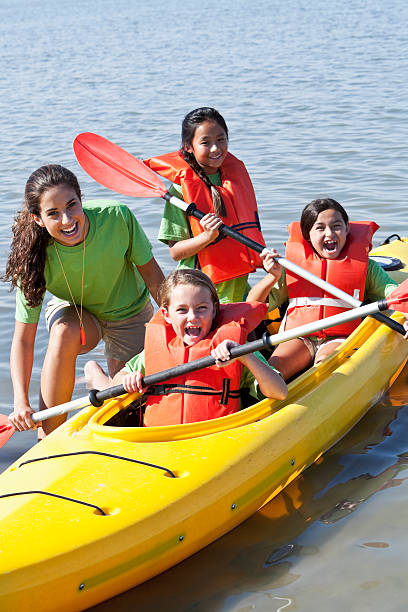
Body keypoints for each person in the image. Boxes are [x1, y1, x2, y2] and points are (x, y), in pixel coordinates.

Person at [4, 164, 165, 435]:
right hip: (75, 314)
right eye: (53, 214)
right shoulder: (32, 256)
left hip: (129, 312)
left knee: (126, 405)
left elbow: (155, 279)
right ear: (38, 219)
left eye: (71, 206)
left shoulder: (117, 217)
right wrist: (21, 402)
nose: (67, 220)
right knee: (64, 331)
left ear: (81, 199)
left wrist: (179, 325)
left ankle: (95, 376)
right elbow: (23, 339)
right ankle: (47, 438)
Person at [85, 269, 288, 426]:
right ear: (166, 315)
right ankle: (93, 374)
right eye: (182, 310)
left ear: (214, 310)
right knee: (113, 390)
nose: (193, 317)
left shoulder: (234, 348)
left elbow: (279, 392)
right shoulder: (157, 350)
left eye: (202, 308)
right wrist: (127, 379)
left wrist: (245, 357)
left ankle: (94, 373)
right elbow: (120, 379)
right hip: (161, 437)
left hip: (215, 435)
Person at [247, 198, 400, 380]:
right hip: (299, 337)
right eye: (320, 228)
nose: (329, 234)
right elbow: (252, 305)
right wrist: (272, 276)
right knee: (269, 372)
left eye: (336, 226)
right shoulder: (291, 268)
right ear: (307, 234)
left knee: (324, 368)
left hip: (339, 338)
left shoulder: (367, 267)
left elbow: (394, 294)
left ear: (347, 229)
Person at [144, 107, 266, 304]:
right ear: (188, 146)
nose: (216, 148)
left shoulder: (234, 178)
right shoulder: (180, 191)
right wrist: (207, 237)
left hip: (237, 282)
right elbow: (175, 252)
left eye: (221, 139)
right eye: (205, 143)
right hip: (199, 291)